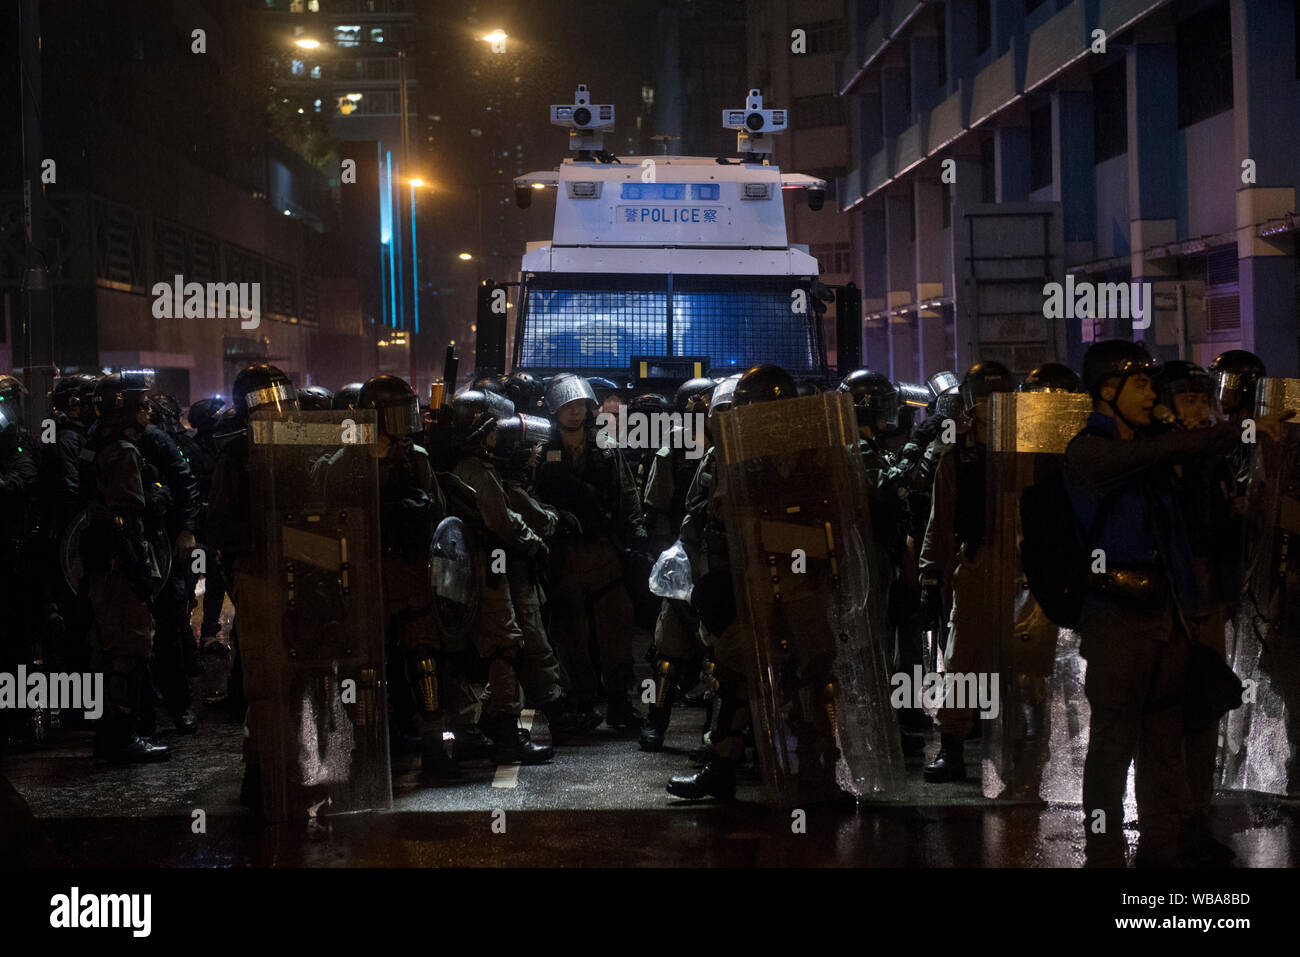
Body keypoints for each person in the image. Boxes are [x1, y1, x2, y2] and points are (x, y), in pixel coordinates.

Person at [1065, 341, 1291, 866]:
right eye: (1140, 385)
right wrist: (1238, 429)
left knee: (1165, 749)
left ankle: (1163, 851)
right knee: (1111, 748)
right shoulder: (1093, 452)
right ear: (1106, 391)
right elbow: (1154, 455)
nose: (1152, 395)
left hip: (1167, 621)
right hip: (1117, 622)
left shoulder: (1154, 449)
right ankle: (1103, 852)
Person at [918, 360, 1017, 783]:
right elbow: (941, 520)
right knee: (961, 660)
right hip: (978, 561)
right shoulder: (957, 453)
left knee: (1027, 660)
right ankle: (953, 747)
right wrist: (929, 574)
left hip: (1026, 564)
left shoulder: (1029, 442)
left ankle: (1028, 747)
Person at [535, 373, 648, 730]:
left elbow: (626, 493)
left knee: (616, 627)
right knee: (570, 634)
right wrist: (553, 522)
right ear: (556, 409)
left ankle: (618, 702)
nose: (575, 412)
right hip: (563, 554)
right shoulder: (540, 449)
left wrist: (636, 537)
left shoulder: (606, 447)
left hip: (603, 552)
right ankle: (581, 701)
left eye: (580, 405)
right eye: (568, 406)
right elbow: (528, 497)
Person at [450, 391, 554, 763]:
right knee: (505, 644)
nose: (497, 436)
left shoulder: (459, 463)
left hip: (468, 565)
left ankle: (483, 723)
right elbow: (499, 520)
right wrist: (533, 542)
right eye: (493, 429)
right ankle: (508, 735)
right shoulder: (479, 470)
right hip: (488, 563)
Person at [82, 373, 170, 763]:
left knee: (108, 647)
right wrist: (138, 571)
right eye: (142, 404)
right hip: (121, 564)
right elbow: (126, 515)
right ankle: (121, 738)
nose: (147, 410)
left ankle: (113, 734)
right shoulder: (122, 452)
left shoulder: (96, 444)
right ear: (126, 409)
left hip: (104, 561)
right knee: (129, 647)